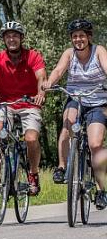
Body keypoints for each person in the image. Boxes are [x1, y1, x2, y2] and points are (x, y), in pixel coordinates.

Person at [0, 21, 46, 195]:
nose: (11, 39)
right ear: (4, 39)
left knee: (31, 139)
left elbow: (41, 76)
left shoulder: (33, 56)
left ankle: (33, 174)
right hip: (5, 104)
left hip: (29, 104)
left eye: (15, 36)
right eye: (8, 36)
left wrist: (41, 94)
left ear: (21, 38)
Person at [41, 19, 107, 209]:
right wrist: (49, 83)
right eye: (75, 36)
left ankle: (102, 190)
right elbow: (59, 70)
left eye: (82, 36)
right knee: (67, 126)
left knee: (95, 144)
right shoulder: (69, 54)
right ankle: (62, 167)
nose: (78, 39)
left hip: (98, 102)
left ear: (89, 37)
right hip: (76, 99)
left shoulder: (99, 51)